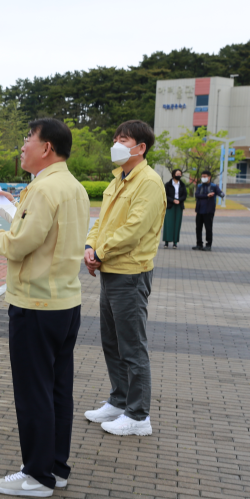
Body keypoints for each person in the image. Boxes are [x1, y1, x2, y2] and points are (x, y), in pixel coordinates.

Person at [0, 117, 89, 498]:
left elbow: (19, 245)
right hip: (64, 302)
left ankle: (36, 476)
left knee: (33, 391)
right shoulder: (72, 186)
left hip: (35, 303)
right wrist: (11, 208)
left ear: (46, 147)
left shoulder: (42, 190)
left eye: (28, 139)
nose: (23, 146)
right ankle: (55, 467)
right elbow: (41, 230)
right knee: (56, 390)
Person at [84, 119, 166, 437]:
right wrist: (91, 247)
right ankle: (119, 401)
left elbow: (133, 230)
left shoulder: (148, 182)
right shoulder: (120, 178)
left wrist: (100, 252)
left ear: (140, 147)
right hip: (110, 270)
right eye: (116, 137)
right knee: (112, 342)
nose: (117, 144)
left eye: (124, 139)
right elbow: (101, 221)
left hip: (130, 273)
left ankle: (138, 415)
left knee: (132, 346)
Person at [192, 170, 223, 251]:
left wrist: (221, 194)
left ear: (209, 177)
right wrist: (207, 195)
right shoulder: (199, 186)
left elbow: (220, 193)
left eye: (205, 176)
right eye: (202, 176)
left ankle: (208, 245)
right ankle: (199, 244)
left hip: (209, 211)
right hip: (199, 210)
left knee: (208, 228)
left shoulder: (214, 186)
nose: (203, 178)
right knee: (198, 228)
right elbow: (197, 195)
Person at [162, 169, 187, 249]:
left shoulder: (182, 185)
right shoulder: (168, 184)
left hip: (179, 206)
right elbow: (165, 195)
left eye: (180, 174)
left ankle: (175, 242)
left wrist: (179, 200)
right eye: (177, 174)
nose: (179, 175)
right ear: (173, 175)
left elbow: (184, 195)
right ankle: (166, 241)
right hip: (170, 205)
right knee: (168, 224)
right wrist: (173, 200)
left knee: (177, 224)